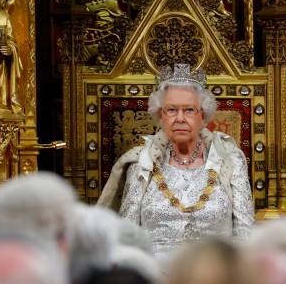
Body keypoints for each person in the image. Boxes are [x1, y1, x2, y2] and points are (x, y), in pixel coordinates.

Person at [98, 63, 254, 260]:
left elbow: (244, 232)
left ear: (203, 116)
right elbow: (128, 236)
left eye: (189, 110)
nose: (180, 118)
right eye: (171, 110)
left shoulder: (229, 160)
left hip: (215, 277)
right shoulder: (141, 163)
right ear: (160, 116)